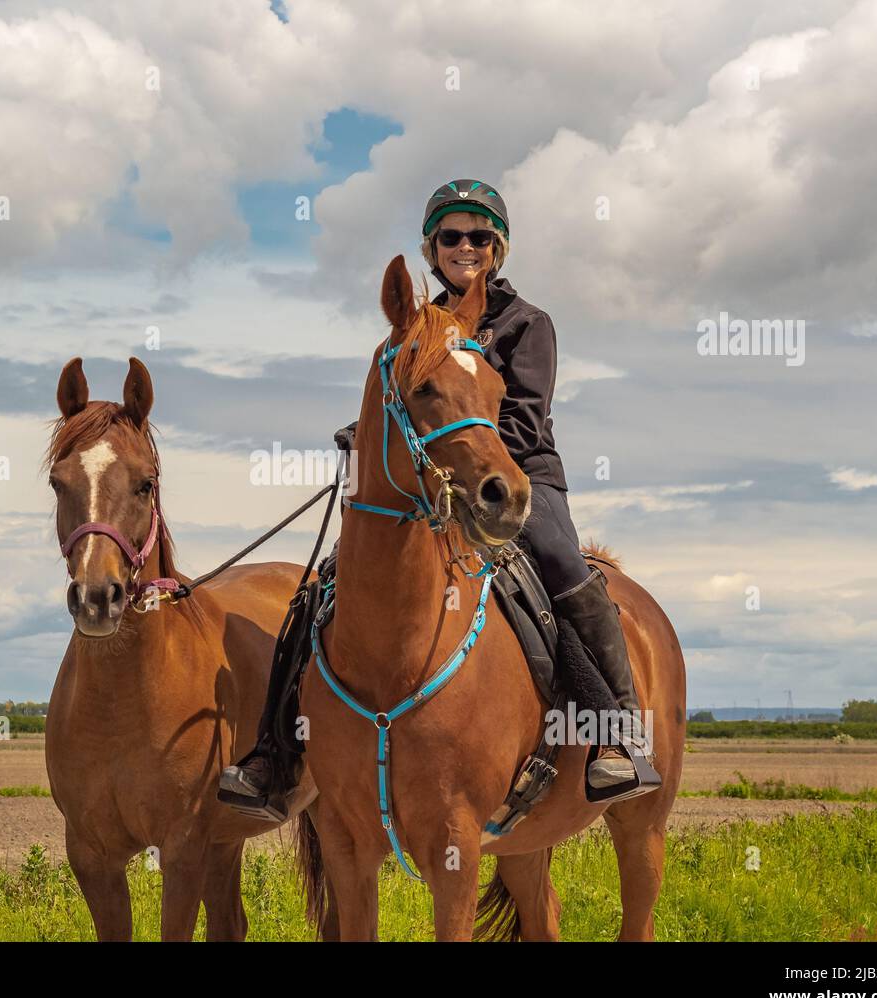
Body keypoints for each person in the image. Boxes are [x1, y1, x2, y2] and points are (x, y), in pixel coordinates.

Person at [219, 179, 657, 817]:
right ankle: (275, 753)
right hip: (427, 485)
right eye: (451, 236)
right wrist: (371, 435)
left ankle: (614, 735)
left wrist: (460, 453)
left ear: (497, 248)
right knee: (326, 586)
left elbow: (527, 422)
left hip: (514, 474)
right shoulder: (413, 332)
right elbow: (402, 406)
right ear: (432, 248)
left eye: (479, 236)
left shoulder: (528, 324)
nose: (465, 246)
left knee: (565, 568)